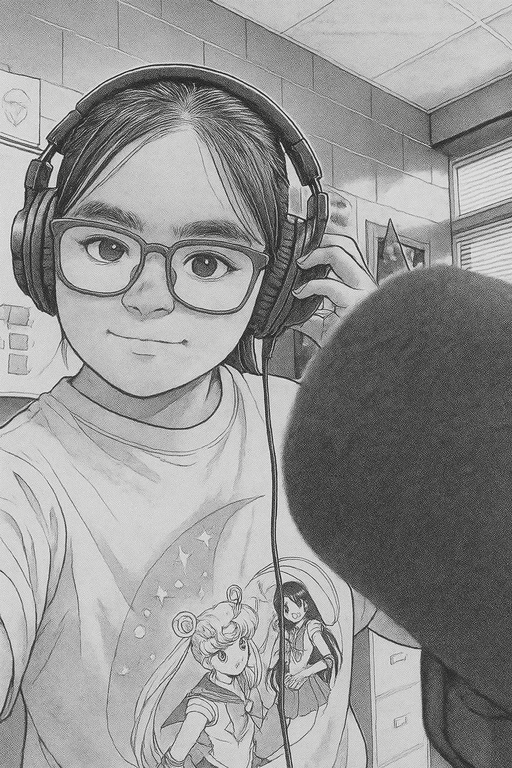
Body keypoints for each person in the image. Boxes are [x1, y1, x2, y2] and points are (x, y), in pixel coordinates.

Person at [0, 64, 408, 768]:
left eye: (209, 262)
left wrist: (404, 399)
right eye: (106, 246)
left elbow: (437, 624)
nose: (150, 297)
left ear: (275, 286)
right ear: (42, 250)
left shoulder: (315, 427)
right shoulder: (23, 479)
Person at [132, 585, 263, 768]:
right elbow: (178, 752)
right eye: (222, 655)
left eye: (242, 644)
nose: (238, 658)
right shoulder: (203, 703)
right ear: (208, 661)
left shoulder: (239, 680)